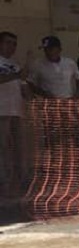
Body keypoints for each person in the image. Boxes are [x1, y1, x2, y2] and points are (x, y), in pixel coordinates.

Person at [0, 32, 28, 192]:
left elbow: (23, 86)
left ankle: (21, 178)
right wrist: (17, 75)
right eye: (8, 43)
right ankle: (4, 179)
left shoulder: (15, 64)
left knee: (20, 146)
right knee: (3, 146)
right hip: (1, 111)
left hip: (17, 110)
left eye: (14, 44)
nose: (12, 47)